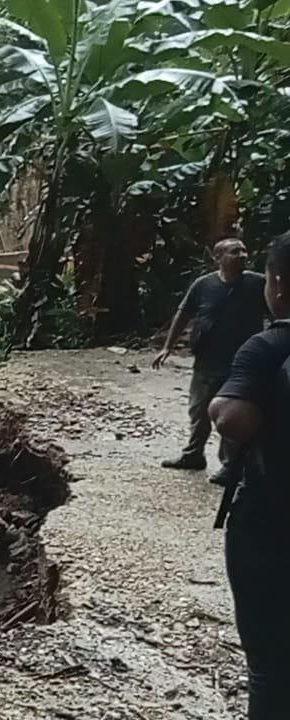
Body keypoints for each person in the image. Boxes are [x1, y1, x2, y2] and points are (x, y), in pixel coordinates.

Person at [210, 231, 290, 719]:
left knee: (270, 667)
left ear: (277, 282)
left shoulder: (268, 347)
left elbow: (231, 420)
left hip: (270, 525)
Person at [153, 237, 266, 485]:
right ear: (219, 258)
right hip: (206, 359)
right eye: (235, 251)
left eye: (244, 250)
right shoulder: (203, 285)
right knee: (198, 409)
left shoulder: (257, 283)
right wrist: (167, 347)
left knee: (230, 414)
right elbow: (184, 312)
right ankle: (194, 454)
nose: (243, 255)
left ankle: (230, 465)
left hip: (241, 362)